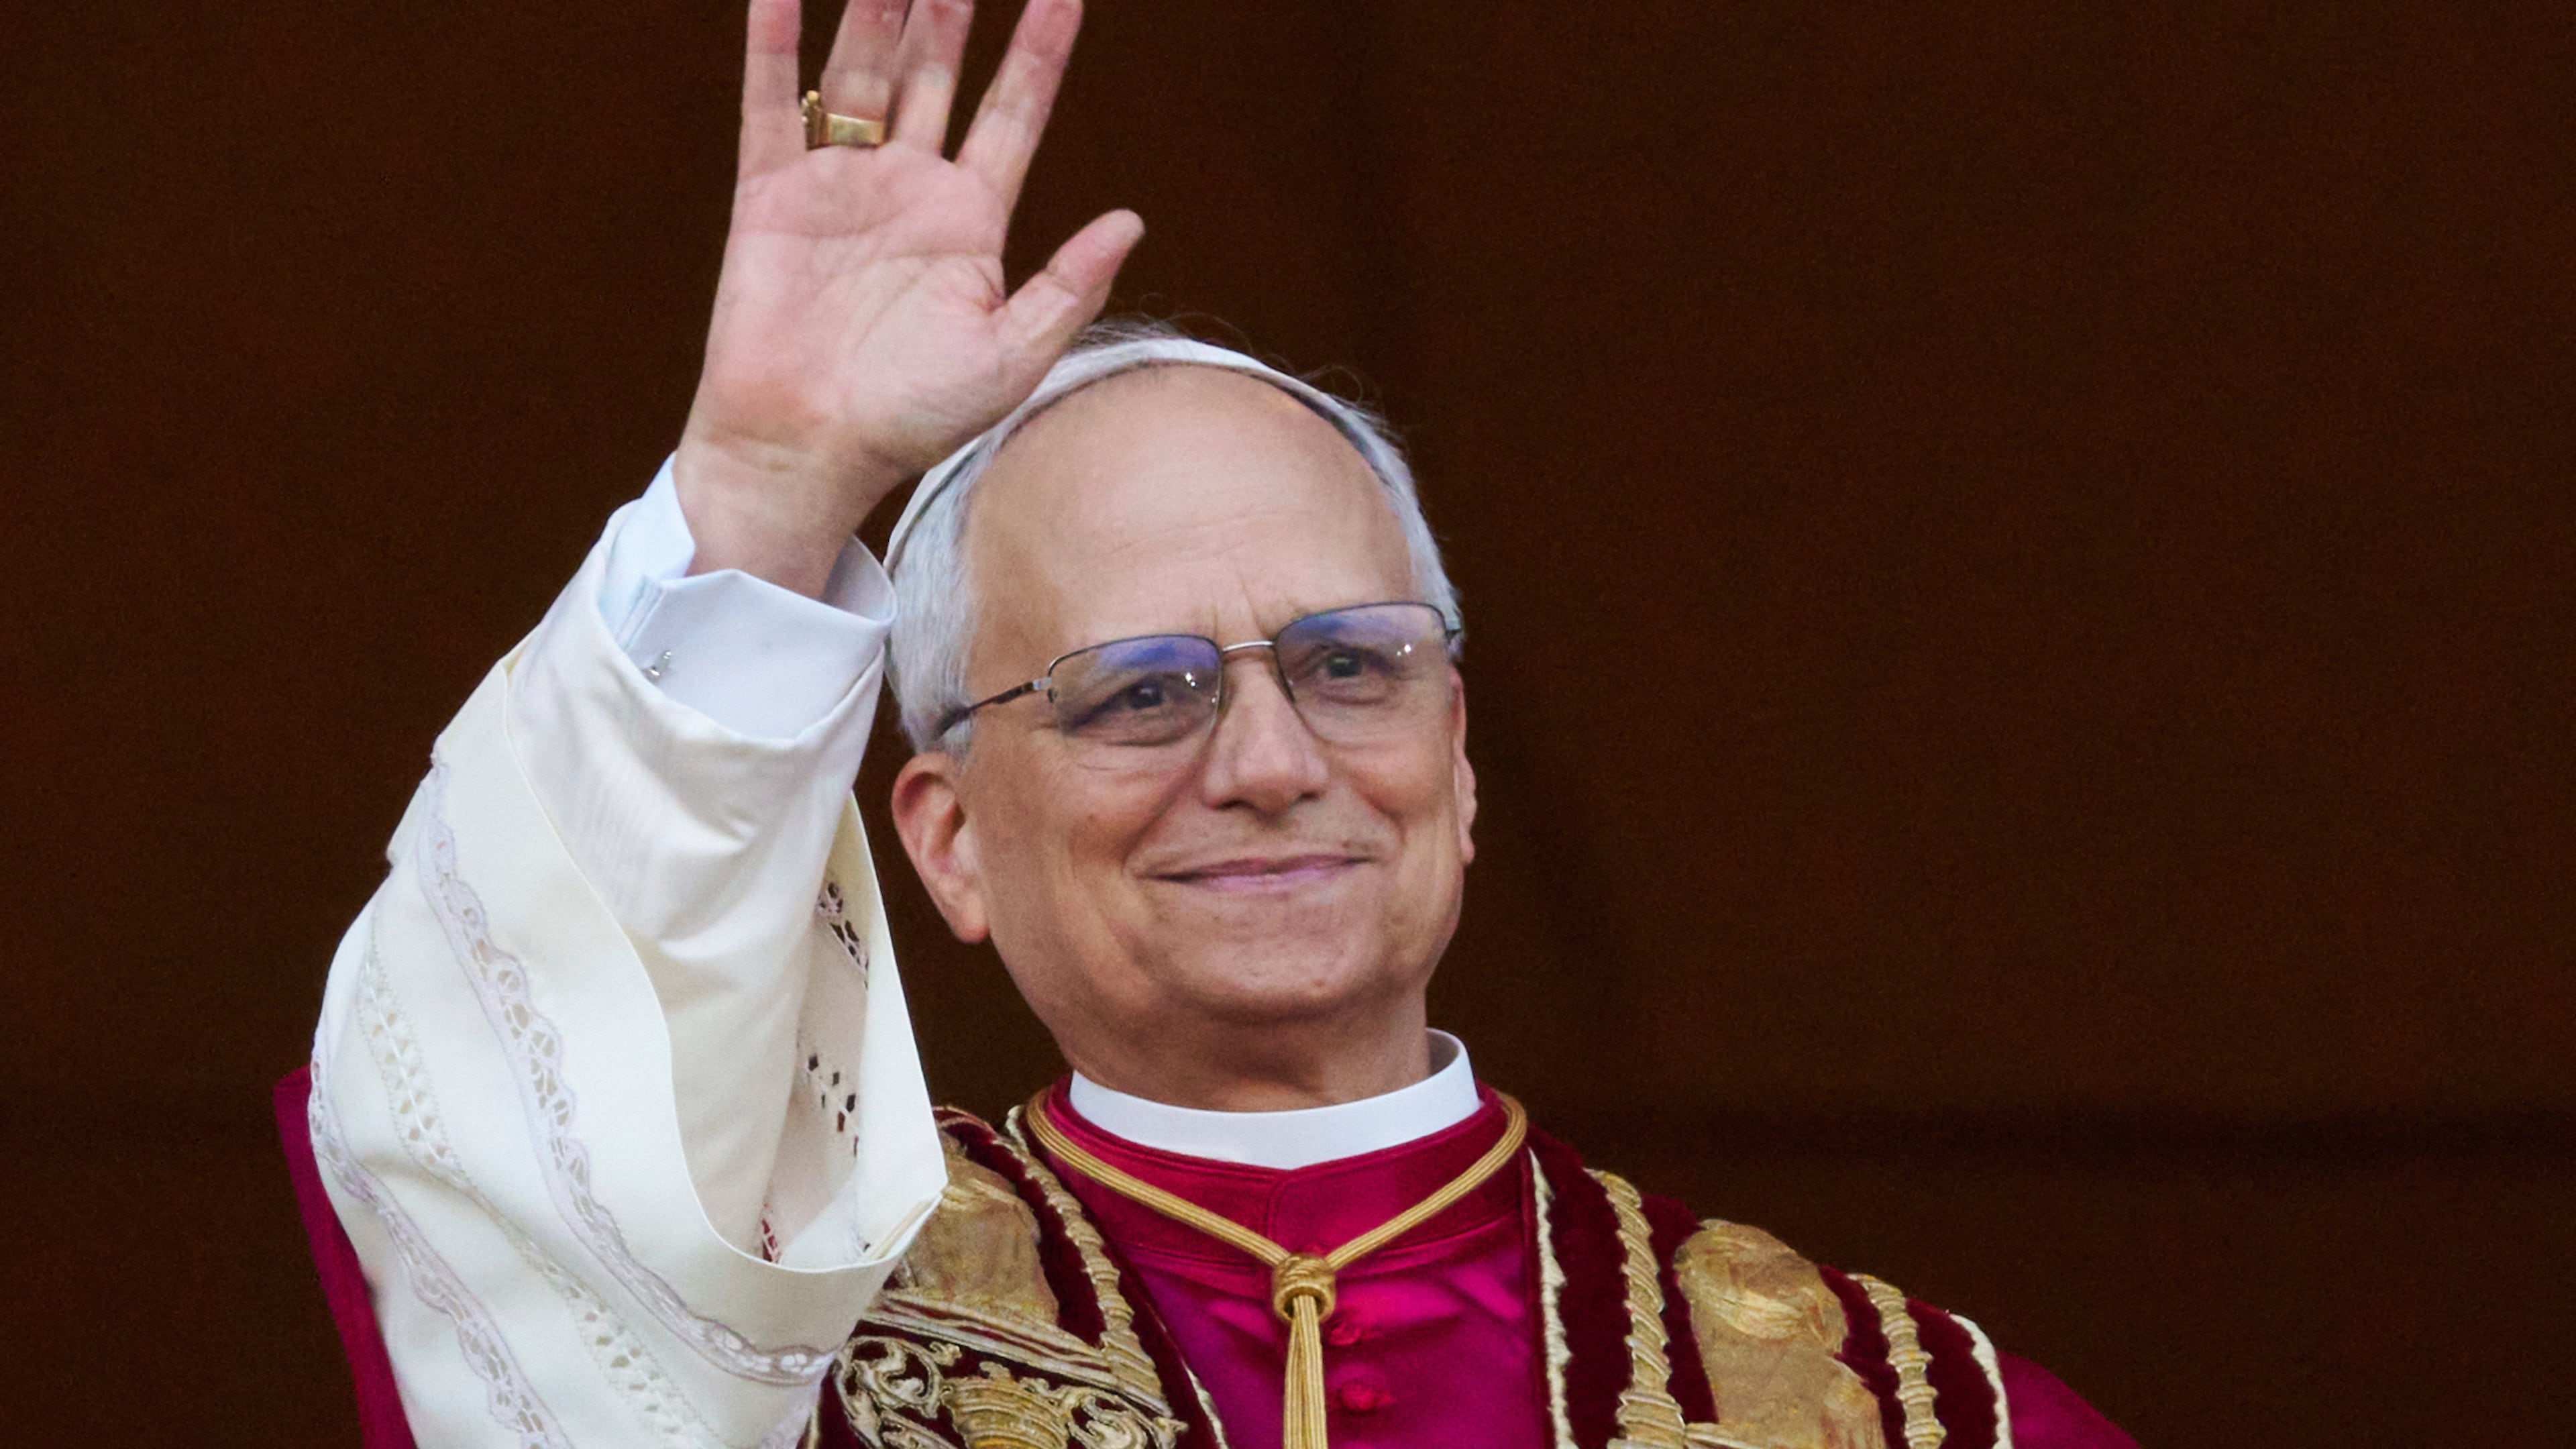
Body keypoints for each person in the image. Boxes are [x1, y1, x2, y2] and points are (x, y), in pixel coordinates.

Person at [280, 2, 2136, 1446]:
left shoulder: (1899, 1409)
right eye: (1137, 693)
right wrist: (766, 493)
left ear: (1462, 763)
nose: (1267, 762)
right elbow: (497, 1136)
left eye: (1350, 663)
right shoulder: (767, 1342)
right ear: (946, 835)